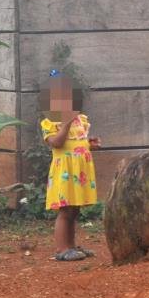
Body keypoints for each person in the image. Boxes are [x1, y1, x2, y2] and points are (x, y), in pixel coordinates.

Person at [40, 72, 102, 261]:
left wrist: (90, 144)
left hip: (79, 172)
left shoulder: (81, 120)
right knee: (65, 211)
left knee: (74, 211)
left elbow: (77, 142)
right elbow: (57, 143)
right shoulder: (50, 123)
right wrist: (65, 125)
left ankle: (71, 246)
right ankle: (61, 249)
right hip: (65, 173)